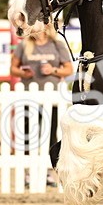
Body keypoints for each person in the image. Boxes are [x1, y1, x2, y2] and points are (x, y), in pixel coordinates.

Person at [10, 26, 73, 186]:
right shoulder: (24, 45)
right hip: (29, 96)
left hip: (51, 97)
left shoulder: (57, 44)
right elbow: (13, 68)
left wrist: (53, 70)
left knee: (51, 135)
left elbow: (68, 69)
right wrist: (24, 73)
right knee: (28, 135)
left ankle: (48, 172)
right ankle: (28, 172)